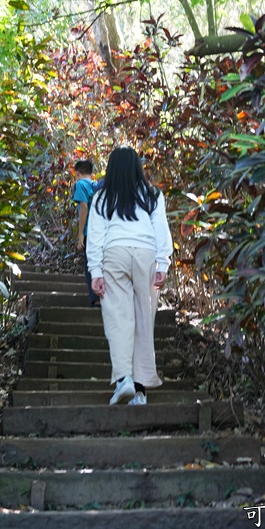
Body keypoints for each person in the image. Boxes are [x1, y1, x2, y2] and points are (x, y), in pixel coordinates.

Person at [86, 146, 173, 406]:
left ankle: (124, 378)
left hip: (114, 253)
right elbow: (161, 231)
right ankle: (140, 391)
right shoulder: (152, 195)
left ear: (111, 168)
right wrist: (162, 264)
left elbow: (96, 238)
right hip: (146, 253)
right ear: (137, 167)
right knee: (144, 320)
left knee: (118, 318)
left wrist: (96, 271)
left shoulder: (102, 197)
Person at [71, 158, 101, 307]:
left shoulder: (80, 184)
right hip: (100, 230)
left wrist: (80, 234)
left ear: (77, 174)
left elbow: (83, 207)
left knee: (90, 264)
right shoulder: (96, 185)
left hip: (89, 230)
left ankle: (94, 298)